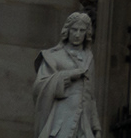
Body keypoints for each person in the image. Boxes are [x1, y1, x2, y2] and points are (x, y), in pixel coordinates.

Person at [32, 8, 99, 138]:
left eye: (82, 30)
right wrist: (68, 75)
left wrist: (96, 127)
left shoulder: (89, 58)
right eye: (74, 30)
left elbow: (91, 96)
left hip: (83, 125)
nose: (78, 34)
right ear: (67, 30)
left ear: (87, 33)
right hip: (60, 123)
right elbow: (39, 87)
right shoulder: (53, 56)